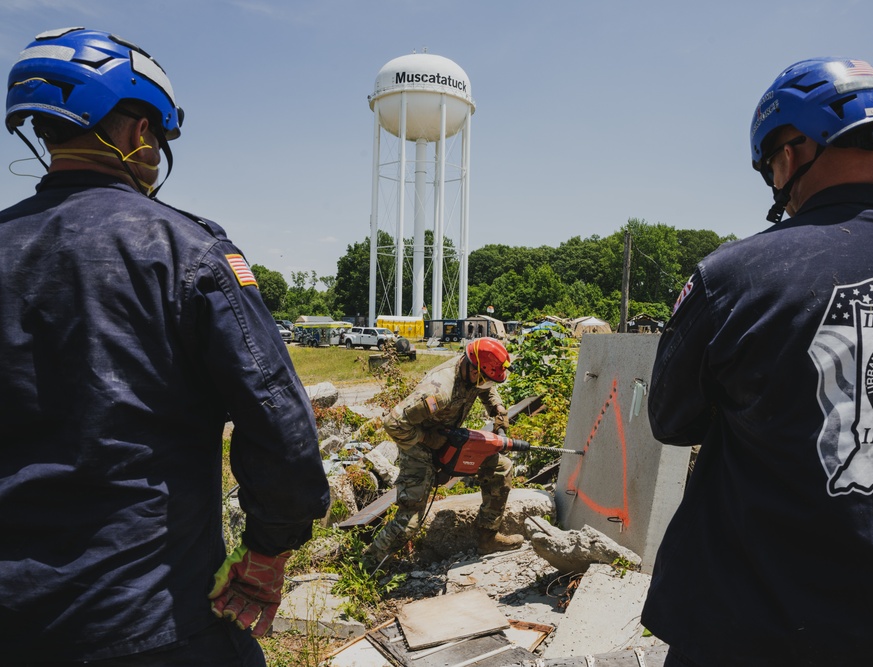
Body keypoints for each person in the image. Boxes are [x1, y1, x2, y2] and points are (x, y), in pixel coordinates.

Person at [642, 58, 873, 667]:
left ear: (795, 147)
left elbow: (673, 421)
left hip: (749, 634)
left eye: (771, 161)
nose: (774, 179)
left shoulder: (736, 278)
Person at [0, 28, 330, 666]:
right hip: (150, 618)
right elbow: (281, 426)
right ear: (135, 132)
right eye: (158, 134)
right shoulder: (188, 252)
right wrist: (267, 553)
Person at [365, 338, 521, 566]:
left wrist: (497, 408)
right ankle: (369, 563)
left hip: (447, 437)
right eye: (485, 380)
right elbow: (393, 423)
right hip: (417, 446)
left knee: (501, 468)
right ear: (473, 369)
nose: (486, 385)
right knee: (410, 520)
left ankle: (487, 538)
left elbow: (486, 388)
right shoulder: (439, 391)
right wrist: (427, 438)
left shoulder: (474, 373)